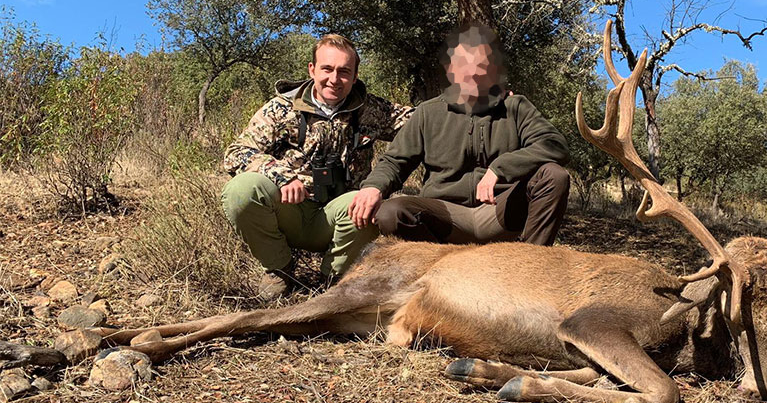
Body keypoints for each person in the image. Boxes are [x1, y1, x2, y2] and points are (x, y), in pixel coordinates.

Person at [221, 34, 411, 300]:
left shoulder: (371, 109)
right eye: (327, 69)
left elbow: (422, 122)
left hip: (342, 216)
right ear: (312, 70)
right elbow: (236, 153)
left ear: (355, 76)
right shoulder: (280, 109)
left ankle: (334, 278)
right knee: (241, 190)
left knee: (370, 202)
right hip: (291, 210)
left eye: (344, 72)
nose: (334, 79)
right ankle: (279, 268)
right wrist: (281, 177)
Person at [349, 23, 571, 246]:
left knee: (554, 176)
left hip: (499, 212)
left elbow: (554, 144)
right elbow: (395, 161)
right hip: (445, 215)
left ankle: (529, 265)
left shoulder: (515, 107)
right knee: (391, 213)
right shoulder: (429, 112)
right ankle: (438, 268)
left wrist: (499, 169)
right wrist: (373, 187)